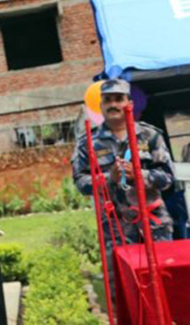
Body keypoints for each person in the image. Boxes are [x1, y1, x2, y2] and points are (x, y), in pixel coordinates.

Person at [71, 79, 175, 291]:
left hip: (154, 224)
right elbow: (80, 182)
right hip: (115, 228)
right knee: (126, 289)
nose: (113, 105)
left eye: (119, 99)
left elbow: (168, 177)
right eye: (107, 100)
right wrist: (110, 179)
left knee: (166, 283)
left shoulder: (150, 136)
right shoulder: (88, 143)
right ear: (100, 106)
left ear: (130, 103)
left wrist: (140, 175)